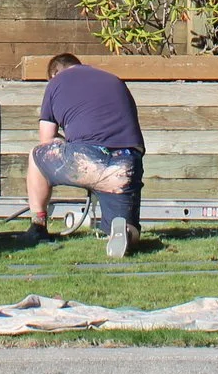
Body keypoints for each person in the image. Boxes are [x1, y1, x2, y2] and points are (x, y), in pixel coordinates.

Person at [25, 53, 145, 257]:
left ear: (55, 72)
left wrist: (64, 142)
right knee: (129, 227)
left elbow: (46, 138)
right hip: (126, 163)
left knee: (37, 155)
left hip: (87, 157)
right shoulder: (113, 79)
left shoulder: (56, 82)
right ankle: (124, 231)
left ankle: (38, 225)